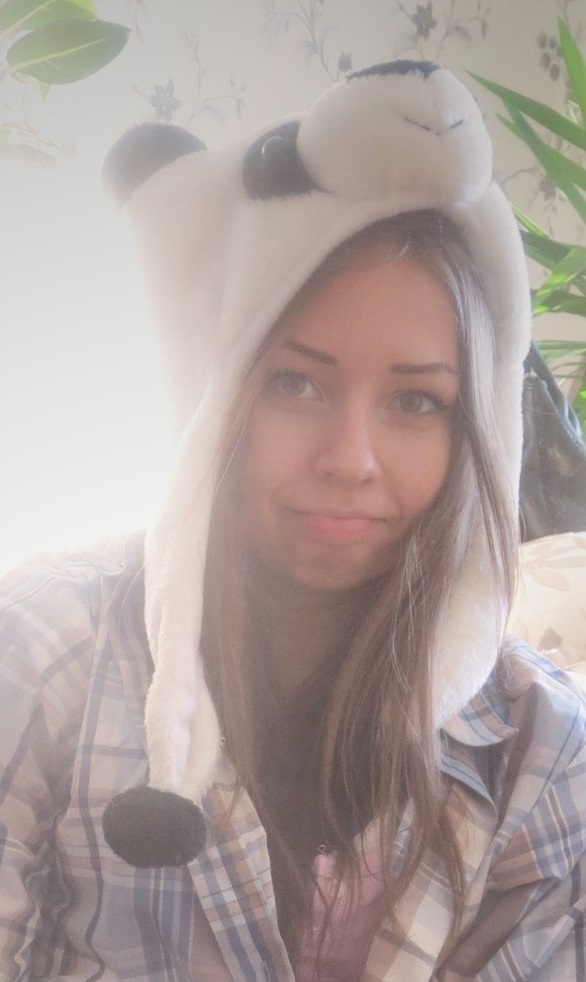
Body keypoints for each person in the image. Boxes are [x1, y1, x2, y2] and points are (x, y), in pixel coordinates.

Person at [1, 60, 585, 981]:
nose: (351, 459)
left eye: (416, 402)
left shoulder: (541, 749)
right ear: (219, 395)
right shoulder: (43, 655)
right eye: (296, 384)